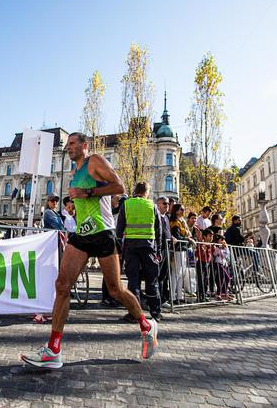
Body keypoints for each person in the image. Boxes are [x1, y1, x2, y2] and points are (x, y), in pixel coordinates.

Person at [20, 132, 158, 369]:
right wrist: (77, 206)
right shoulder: (74, 173)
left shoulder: (95, 161)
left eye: (72, 143)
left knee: (116, 290)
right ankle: (54, 350)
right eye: (67, 145)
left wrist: (88, 193)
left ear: (84, 145)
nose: (68, 147)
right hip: (83, 234)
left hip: (103, 233)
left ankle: (146, 325)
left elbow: (120, 187)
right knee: (62, 285)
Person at [117, 182, 163, 321]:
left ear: (135, 191)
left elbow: (120, 229)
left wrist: (119, 248)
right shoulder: (152, 206)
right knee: (152, 281)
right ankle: (155, 313)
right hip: (149, 247)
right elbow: (158, 230)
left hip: (131, 247)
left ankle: (134, 314)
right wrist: (159, 250)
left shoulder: (126, 204)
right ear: (146, 192)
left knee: (133, 281)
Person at [155, 196, 172, 308]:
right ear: (158, 204)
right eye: (164, 203)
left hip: (167, 248)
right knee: (158, 275)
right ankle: (156, 299)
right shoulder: (156, 216)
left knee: (164, 275)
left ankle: (162, 298)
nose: (167, 206)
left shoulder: (166, 217)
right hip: (159, 248)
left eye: (167, 204)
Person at [196, 229, 214, 302]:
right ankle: (200, 295)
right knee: (201, 280)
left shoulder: (211, 245)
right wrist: (202, 250)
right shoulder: (201, 244)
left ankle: (204, 294)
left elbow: (212, 252)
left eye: (212, 236)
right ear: (204, 236)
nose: (211, 238)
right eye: (209, 236)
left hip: (207, 263)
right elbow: (197, 254)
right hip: (201, 262)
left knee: (206, 279)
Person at [212, 235, 232, 300]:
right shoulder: (216, 247)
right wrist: (222, 248)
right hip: (218, 263)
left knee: (224, 278)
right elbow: (220, 255)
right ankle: (219, 293)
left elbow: (227, 255)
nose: (223, 241)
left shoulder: (223, 247)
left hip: (223, 263)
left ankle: (223, 293)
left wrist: (226, 248)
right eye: (221, 240)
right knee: (224, 278)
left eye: (224, 240)